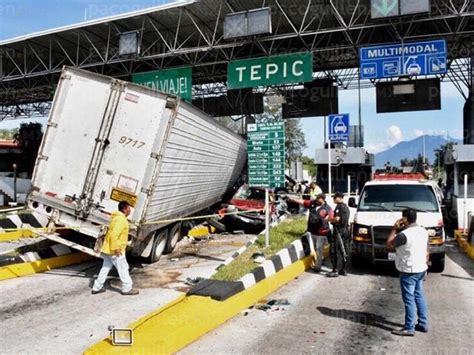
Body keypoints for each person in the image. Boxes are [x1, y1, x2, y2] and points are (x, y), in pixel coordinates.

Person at [386, 209, 429, 336]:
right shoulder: (423, 231)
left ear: (404, 219)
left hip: (409, 270)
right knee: (419, 295)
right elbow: (427, 249)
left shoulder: (403, 235)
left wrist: (394, 229)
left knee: (409, 299)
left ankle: (409, 327)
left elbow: (389, 244)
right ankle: (423, 323)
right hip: (421, 268)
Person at [92, 201, 139, 296]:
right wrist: (116, 248)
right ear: (125, 209)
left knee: (105, 268)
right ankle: (127, 288)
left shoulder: (116, 218)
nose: (130, 211)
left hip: (108, 249)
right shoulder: (121, 220)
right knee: (123, 268)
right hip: (115, 250)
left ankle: (97, 287)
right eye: (129, 209)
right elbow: (114, 234)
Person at [288, 193, 333, 272]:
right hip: (313, 231)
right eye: (316, 198)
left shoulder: (327, 208)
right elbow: (303, 202)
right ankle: (320, 260)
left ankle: (318, 266)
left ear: (322, 199)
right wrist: (293, 199)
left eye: (318, 198)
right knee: (316, 247)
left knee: (319, 248)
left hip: (322, 232)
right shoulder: (312, 203)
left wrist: (328, 218)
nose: (316, 199)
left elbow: (331, 216)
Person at [328, 192, 351, 277]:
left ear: (340, 198)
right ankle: (343, 269)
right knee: (344, 249)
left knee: (334, 250)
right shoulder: (346, 207)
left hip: (339, 231)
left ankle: (335, 270)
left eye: (335, 198)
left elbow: (337, 219)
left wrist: (328, 220)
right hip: (345, 231)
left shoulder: (339, 207)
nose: (333, 199)